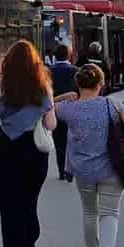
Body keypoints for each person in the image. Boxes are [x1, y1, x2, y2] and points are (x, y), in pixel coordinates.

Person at [55, 63, 124, 247]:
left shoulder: (68, 108)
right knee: (110, 213)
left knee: (89, 212)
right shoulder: (112, 104)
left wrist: (64, 95)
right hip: (111, 168)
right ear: (101, 84)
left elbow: (46, 105)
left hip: (83, 170)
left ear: (78, 84)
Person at [0, 39, 56, 247]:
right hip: (35, 152)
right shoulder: (43, 87)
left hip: (8, 149)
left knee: (9, 207)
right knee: (29, 203)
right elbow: (51, 125)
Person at [50, 43, 77, 181]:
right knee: (72, 141)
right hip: (73, 111)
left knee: (59, 143)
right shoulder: (75, 71)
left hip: (55, 111)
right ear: (68, 55)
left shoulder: (49, 72)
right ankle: (70, 170)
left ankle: (61, 170)